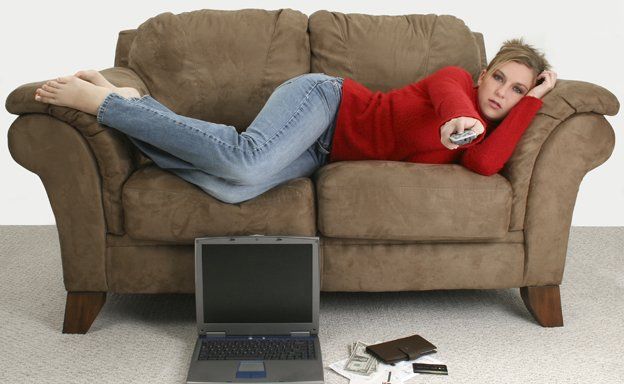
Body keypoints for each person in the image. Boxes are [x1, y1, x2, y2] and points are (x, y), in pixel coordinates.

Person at [33, 37, 556, 204]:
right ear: (481, 73)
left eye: (516, 91)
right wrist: (456, 123)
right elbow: (452, 107)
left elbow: (487, 164)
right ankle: (102, 104)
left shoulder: (485, 132)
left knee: (235, 187)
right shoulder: (452, 82)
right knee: (245, 159)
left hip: (323, 152)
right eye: (499, 80)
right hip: (324, 104)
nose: (502, 94)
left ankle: (133, 107)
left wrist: (534, 101)